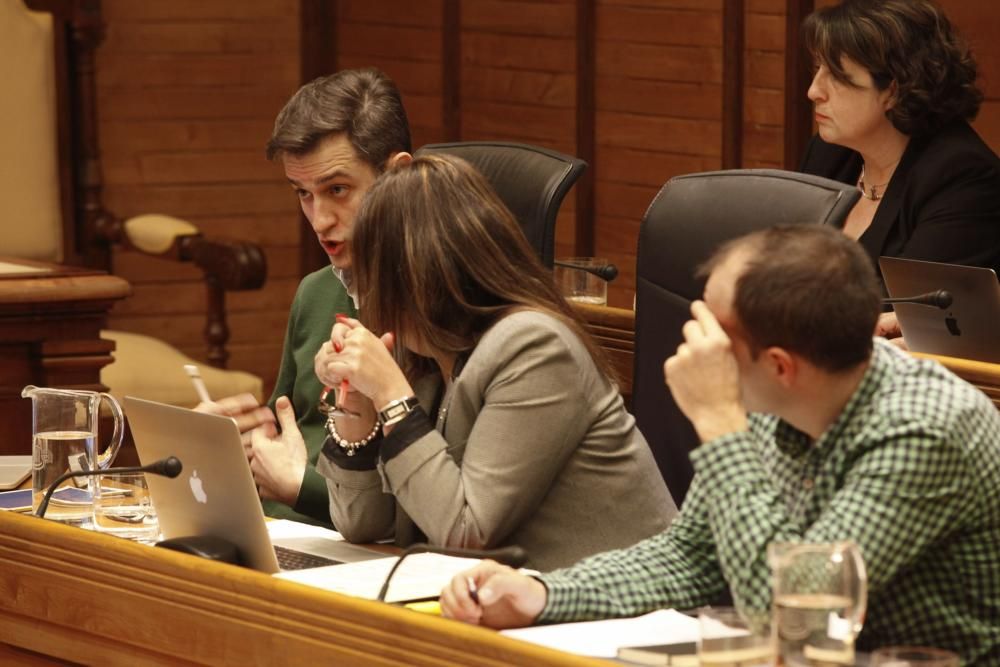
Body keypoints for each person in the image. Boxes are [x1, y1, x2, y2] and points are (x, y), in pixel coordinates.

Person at [441, 225, 1000, 665]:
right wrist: (542, 595)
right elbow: (692, 555)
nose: (695, 342)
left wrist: (719, 421)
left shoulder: (923, 430)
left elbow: (794, 616)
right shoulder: (778, 398)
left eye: (713, 329)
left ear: (780, 366)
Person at [254, 154, 676, 570]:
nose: (363, 295)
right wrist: (357, 414)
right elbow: (362, 524)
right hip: (504, 605)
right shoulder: (422, 354)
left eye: (373, 275)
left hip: (626, 618)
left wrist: (390, 395)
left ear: (418, 273)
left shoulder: (533, 346)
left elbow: (464, 531)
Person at [195, 68, 413, 525]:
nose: (319, 221)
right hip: (280, 533)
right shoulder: (315, 292)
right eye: (303, 194)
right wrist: (229, 449)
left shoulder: (436, 307)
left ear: (398, 175)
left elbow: (421, 510)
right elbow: (283, 436)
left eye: (337, 190)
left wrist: (299, 488)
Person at [797, 0, 1000, 342]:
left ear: (893, 88)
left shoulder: (963, 179)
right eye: (818, 69)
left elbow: (914, 318)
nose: (814, 91)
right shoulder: (830, 154)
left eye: (836, 75)